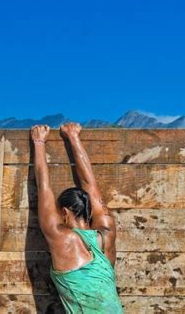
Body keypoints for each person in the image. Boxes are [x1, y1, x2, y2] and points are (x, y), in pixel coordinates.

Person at [30, 122, 124, 313]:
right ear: (89, 210)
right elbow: (90, 185)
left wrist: (39, 142)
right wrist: (73, 137)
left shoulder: (62, 238)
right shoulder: (106, 232)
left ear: (64, 212)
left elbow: (44, 187)